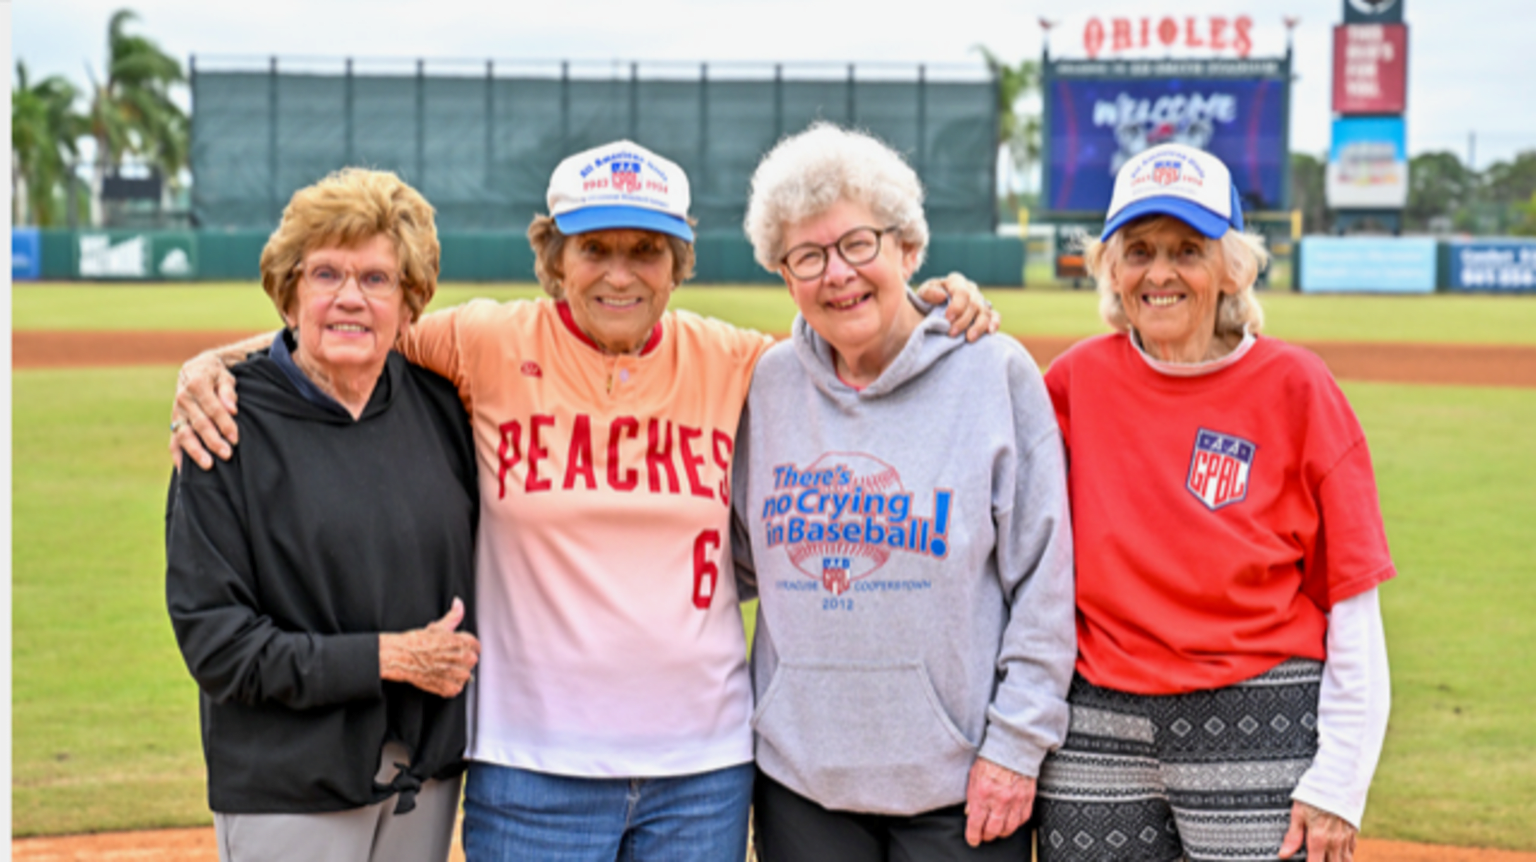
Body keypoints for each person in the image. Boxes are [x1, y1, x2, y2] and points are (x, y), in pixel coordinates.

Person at [170, 138, 999, 862]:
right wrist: (212, 364)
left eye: (647, 249)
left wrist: (938, 301)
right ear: (553, 258)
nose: (619, 272)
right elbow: (342, 328)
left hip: (701, 769)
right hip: (533, 767)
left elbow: (856, 327)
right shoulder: (484, 341)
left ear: (678, 262)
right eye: (593, 247)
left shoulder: (745, 362)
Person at [1035, 143, 1394, 862]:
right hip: (1097, 718)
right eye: (1138, 250)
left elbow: (1351, 597)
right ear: (1110, 267)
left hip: (1258, 709)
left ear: (1233, 266)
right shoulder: (1073, 382)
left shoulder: (1298, 386)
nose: (1160, 272)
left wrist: (1341, 781)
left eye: (1187, 250)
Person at [730, 122, 1076, 862]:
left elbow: (1045, 586)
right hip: (802, 779)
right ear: (783, 276)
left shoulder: (996, 373)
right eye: (808, 256)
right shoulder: (769, 384)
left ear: (909, 249)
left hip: (963, 785)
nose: (837, 273)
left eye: (859, 244)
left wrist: (1016, 747)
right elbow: (729, 559)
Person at [165, 168, 482, 862]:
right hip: (287, 784)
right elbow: (219, 645)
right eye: (325, 275)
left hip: (419, 781)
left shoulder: (443, 408)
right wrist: (393, 658)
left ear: (409, 301)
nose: (350, 298)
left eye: (375, 279)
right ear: (288, 294)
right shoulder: (223, 422)